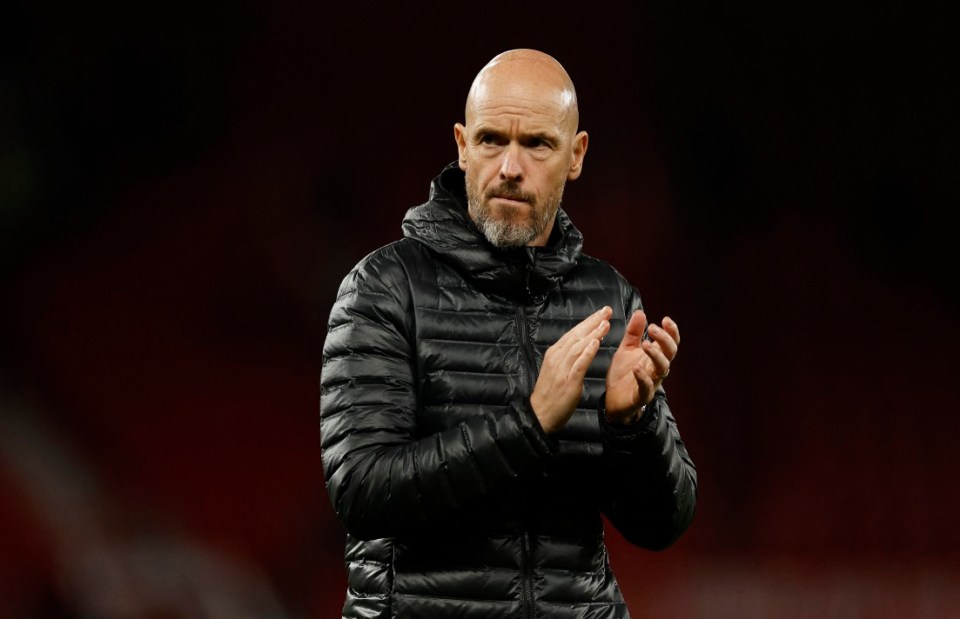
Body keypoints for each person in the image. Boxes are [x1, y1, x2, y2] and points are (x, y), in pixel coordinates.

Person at [320, 49, 696, 619]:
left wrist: (632, 424)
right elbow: (362, 492)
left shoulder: (609, 300)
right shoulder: (384, 288)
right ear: (462, 145)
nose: (510, 167)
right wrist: (531, 422)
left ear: (576, 155)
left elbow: (662, 525)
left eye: (537, 144)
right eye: (492, 139)